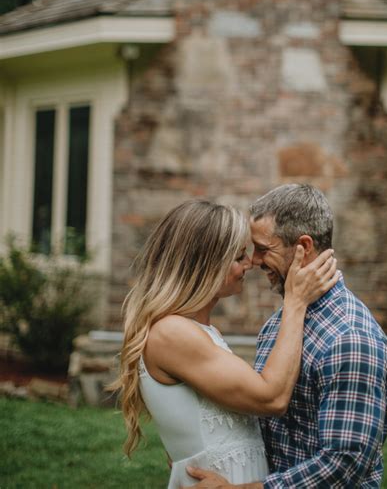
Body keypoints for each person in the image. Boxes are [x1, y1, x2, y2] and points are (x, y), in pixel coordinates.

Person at [112, 198, 338, 488]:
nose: (250, 264)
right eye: (238, 257)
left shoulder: (197, 331)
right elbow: (272, 397)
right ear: (205, 265)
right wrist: (296, 302)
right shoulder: (171, 333)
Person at [187, 184, 387, 488]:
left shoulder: (350, 339)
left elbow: (343, 463)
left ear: (304, 247)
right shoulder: (280, 323)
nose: (254, 261)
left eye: (263, 249)